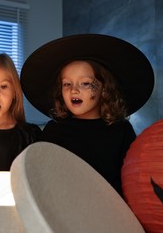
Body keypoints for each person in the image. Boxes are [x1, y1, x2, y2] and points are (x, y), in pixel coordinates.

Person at [20, 34, 154, 196]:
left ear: (104, 89)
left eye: (85, 83)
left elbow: (132, 176)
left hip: (110, 208)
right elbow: (39, 174)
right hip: (64, 205)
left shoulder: (121, 130)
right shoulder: (55, 130)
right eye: (67, 84)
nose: (74, 90)